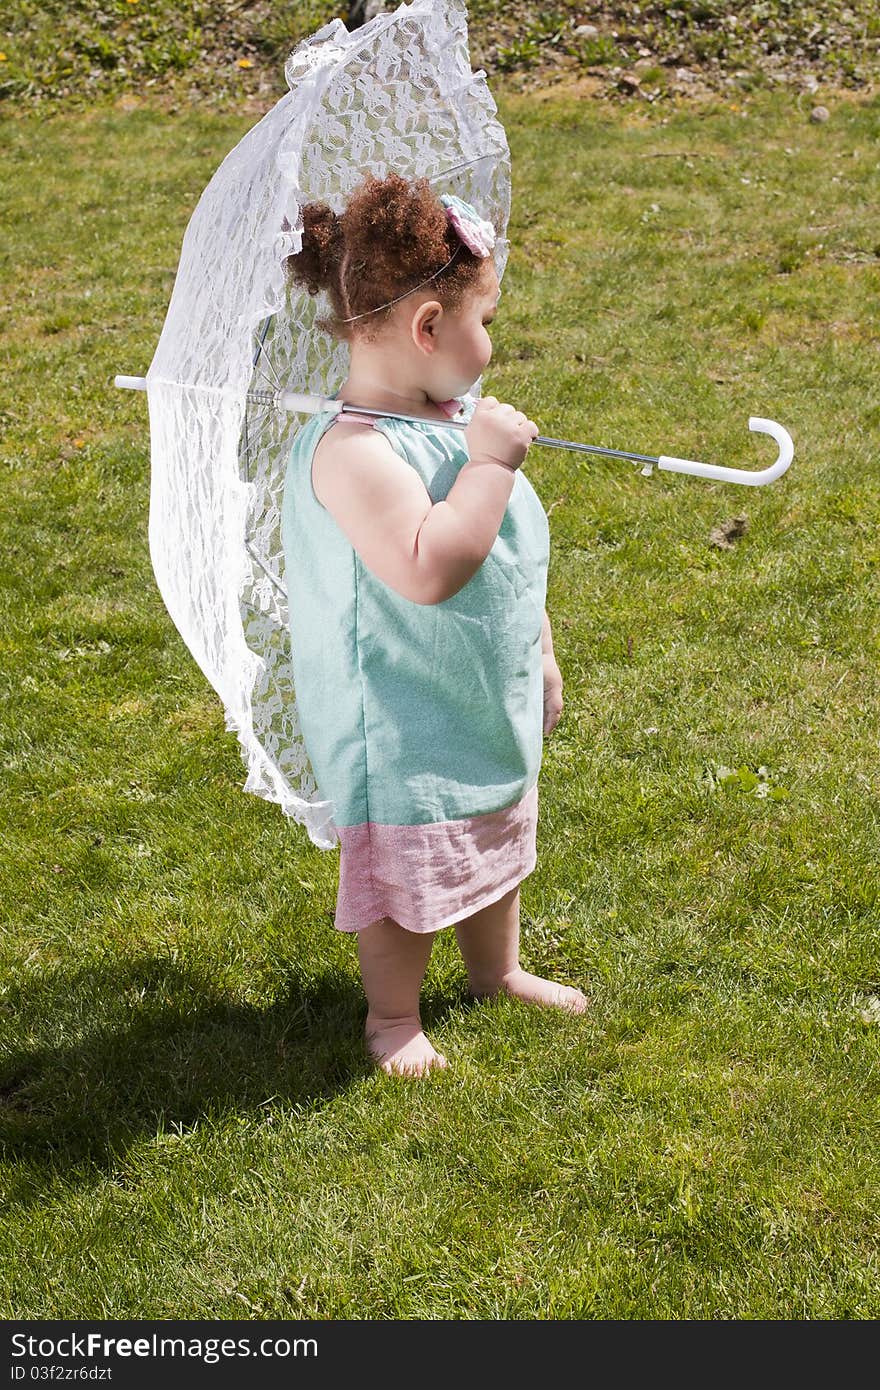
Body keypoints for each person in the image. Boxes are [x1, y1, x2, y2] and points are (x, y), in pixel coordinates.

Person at [281, 172, 587, 1078]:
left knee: (494, 814)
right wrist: (488, 467)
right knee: (406, 858)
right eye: (484, 320)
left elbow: (509, 565)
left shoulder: (449, 425)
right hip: (402, 708)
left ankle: (496, 970)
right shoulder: (356, 454)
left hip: (473, 685)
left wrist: (538, 650)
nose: (490, 342)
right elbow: (431, 567)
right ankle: (392, 1017)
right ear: (427, 330)